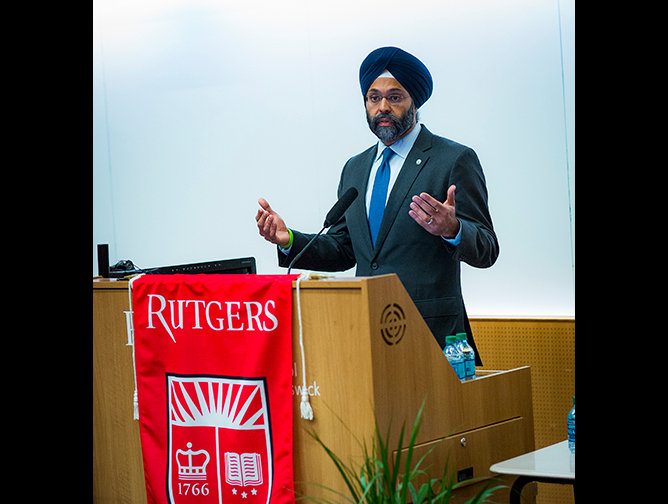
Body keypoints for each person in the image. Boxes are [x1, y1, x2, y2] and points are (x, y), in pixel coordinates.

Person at [255, 46, 498, 365]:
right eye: (373, 97)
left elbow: (487, 249)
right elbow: (345, 249)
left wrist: (453, 229)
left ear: (415, 102)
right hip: (366, 332)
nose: (383, 106)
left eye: (395, 97)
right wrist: (288, 239)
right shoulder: (355, 168)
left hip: (432, 336)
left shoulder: (452, 160)